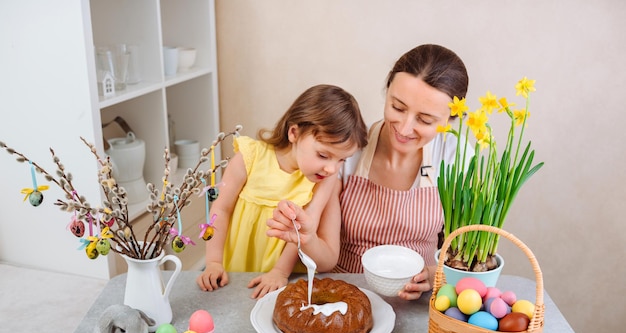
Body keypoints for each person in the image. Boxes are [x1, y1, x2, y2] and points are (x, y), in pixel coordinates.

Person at [267, 44, 473, 301]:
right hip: (344, 293)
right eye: (397, 107)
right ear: (387, 94)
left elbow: (470, 252)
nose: (405, 128)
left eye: (425, 120)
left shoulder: (456, 156)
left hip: (418, 302)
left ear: (452, 118)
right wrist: (306, 239)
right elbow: (324, 261)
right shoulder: (347, 151)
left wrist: (435, 275)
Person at [196, 84, 368, 299]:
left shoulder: (324, 181)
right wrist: (212, 262)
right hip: (233, 275)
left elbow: (304, 233)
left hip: (282, 286)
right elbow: (220, 210)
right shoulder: (249, 158)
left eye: (342, 159)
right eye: (323, 155)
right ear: (294, 132)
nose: (332, 169)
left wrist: (280, 271)